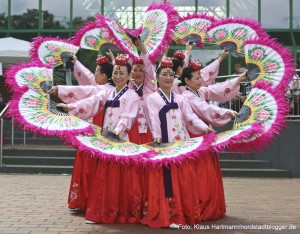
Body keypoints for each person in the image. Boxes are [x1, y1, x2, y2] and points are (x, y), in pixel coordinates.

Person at [57, 55, 142, 224]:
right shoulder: (108, 91)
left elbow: (129, 116)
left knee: (119, 176)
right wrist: (71, 107)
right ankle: (100, 210)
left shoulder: (133, 95)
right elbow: (92, 101)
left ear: (128, 75)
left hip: (120, 139)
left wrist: (118, 131)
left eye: (122, 73)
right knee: (103, 175)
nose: (118, 76)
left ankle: (120, 211)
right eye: (116, 72)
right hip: (105, 139)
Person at [141, 57, 225, 228]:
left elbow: (190, 117)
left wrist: (204, 128)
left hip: (182, 144)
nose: (168, 77)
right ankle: (169, 215)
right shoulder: (152, 99)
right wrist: (157, 137)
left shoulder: (180, 99)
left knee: (183, 180)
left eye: (171, 74)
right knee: (167, 180)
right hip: (164, 145)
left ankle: (184, 213)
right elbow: (152, 119)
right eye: (164, 74)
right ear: (157, 77)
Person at [180, 60, 248, 131]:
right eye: (197, 78)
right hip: (195, 130)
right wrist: (226, 112)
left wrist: (239, 79)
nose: (200, 80)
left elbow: (217, 89)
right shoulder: (187, 96)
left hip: (204, 128)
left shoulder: (200, 90)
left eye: (200, 77)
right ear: (187, 80)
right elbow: (205, 108)